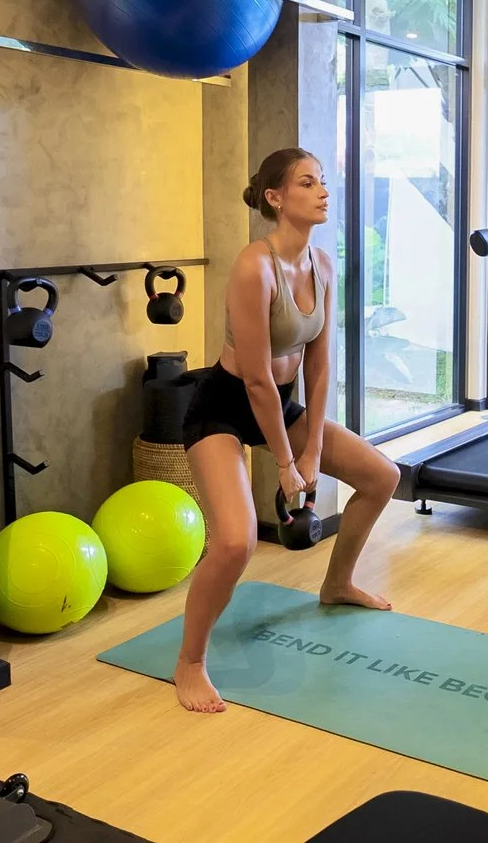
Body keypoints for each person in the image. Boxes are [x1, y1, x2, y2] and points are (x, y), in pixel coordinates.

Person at [173, 148, 398, 713]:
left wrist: (313, 449)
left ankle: (337, 584)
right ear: (275, 198)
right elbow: (254, 380)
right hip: (224, 408)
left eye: (322, 181)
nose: (323, 191)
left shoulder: (322, 264)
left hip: (285, 404)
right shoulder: (254, 266)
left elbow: (319, 367)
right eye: (307, 182)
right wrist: (285, 463)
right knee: (236, 541)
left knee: (381, 477)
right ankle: (190, 662)